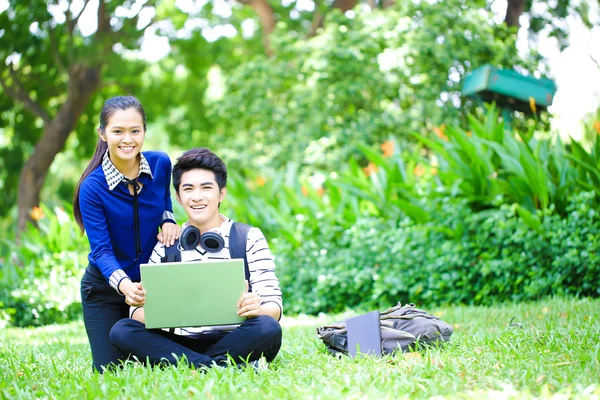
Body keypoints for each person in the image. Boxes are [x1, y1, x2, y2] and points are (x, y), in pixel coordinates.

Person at [109, 148, 283, 369]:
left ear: (221, 193)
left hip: (236, 338)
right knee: (122, 330)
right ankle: (215, 366)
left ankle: (192, 366)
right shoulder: (167, 243)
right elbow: (137, 314)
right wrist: (143, 303)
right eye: (188, 189)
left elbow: (274, 308)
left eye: (206, 188)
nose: (197, 196)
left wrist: (255, 307)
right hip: (182, 343)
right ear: (179, 197)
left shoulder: (248, 237)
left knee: (268, 328)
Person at [73, 95, 181, 373]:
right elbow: (102, 252)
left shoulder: (160, 164)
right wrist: (124, 286)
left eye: (135, 131)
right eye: (117, 131)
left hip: (151, 288)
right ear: (102, 134)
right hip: (105, 291)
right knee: (110, 371)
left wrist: (168, 219)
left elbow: (164, 199)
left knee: (164, 363)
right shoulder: (92, 188)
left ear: (144, 131)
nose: (127, 139)